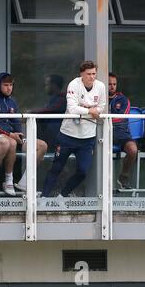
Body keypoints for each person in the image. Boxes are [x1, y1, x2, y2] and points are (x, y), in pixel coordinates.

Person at [42, 61, 106, 197]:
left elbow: (101, 107)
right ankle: (44, 196)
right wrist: (90, 110)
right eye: (88, 74)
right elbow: (72, 108)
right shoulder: (74, 84)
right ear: (81, 74)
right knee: (56, 167)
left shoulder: (100, 86)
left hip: (87, 138)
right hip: (67, 135)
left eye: (94, 73)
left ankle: (63, 195)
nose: (92, 77)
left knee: (83, 171)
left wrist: (89, 110)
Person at [0, 72, 48, 195]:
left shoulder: (12, 101)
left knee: (42, 145)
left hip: (14, 137)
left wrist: (19, 135)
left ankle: (25, 183)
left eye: (11, 85)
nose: (9, 88)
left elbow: (16, 121)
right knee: (12, 142)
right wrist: (9, 134)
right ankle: (9, 180)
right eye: (6, 85)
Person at [109, 72, 137, 189]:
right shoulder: (98, 97)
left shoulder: (123, 99)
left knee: (133, 149)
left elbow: (121, 117)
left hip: (121, 134)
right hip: (102, 134)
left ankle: (123, 176)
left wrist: (105, 118)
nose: (112, 86)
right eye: (109, 84)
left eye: (114, 84)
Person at [30, 74, 67, 151]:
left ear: (53, 85)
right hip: (47, 139)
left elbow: (50, 110)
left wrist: (33, 112)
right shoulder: (52, 99)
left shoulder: (62, 99)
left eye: (47, 85)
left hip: (56, 139)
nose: (45, 87)